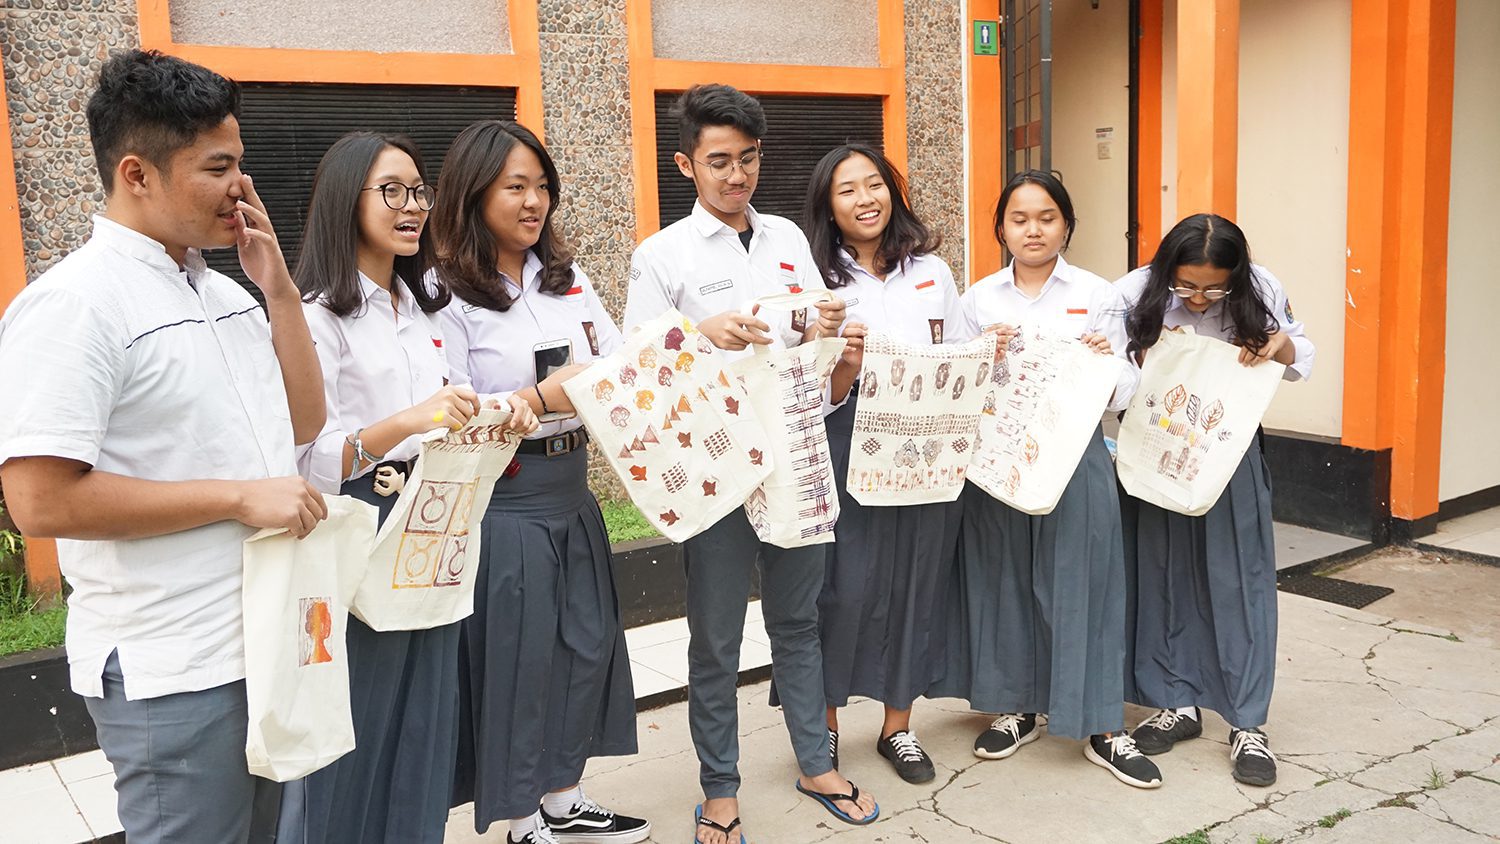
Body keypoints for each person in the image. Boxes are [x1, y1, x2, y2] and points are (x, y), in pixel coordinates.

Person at [0, 49, 328, 843]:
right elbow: (39, 500)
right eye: (217, 167)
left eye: (239, 163)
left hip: (265, 642)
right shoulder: (76, 304)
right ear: (137, 174)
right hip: (172, 667)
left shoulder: (226, 295)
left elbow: (303, 422)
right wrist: (237, 497)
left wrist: (280, 290)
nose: (241, 187)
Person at [623, 84, 879, 843]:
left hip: (795, 453)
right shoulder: (662, 255)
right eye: (720, 161)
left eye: (749, 158)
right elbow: (636, 367)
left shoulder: (789, 240)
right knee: (716, 636)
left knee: (798, 620)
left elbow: (810, 344)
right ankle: (720, 789)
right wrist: (701, 333)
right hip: (716, 469)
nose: (737, 175)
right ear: (686, 164)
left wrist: (827, 327)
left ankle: (815, 763)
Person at [281, 130, 536, 843]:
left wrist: (500, 411)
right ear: (346, 199)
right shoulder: (315, 316)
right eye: (391, 191)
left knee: (424, 726)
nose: (413, 206)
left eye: (419, 191)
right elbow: (309, 462)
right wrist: (408, 421)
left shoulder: (422, 308)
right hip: (357, 534)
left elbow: (447, 413)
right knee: (352, 729)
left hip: (433, 528)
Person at [431, 120, 649, 844]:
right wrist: (539, 397)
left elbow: (618, 361)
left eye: (542, 187)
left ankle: (563, 797)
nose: (534, 202)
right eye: (514, 187)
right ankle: (523, 818)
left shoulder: (568, 278)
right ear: (473, 194)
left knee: (584, 647)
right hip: (505, 499)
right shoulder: (445, 292)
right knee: (521, 662)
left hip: (571, 488)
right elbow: (446, 412)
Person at [931, 169, 1163, 789]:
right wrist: (981, 352)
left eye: (1046, 218)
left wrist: (1104, 364)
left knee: (1085, 583)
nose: (1032, 230)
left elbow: (1128, 387)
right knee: (1003, 578)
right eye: (1019, 219)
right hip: (997, 459)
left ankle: (1103, 725)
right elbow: (954, 381)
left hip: (1077, 454)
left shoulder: (1099, 294)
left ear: (1066, 225)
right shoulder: (979, 299)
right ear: (1001, 229)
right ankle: (1017, 706)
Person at [1117, 213, 1314, 788]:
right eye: (1186, 286)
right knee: (1162, 573)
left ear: (1236, 276)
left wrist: (1279, 345)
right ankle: (1175, 702)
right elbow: (1107, 370)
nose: (1200, 299)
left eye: (1214, 288)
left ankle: (1248, 723)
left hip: (1230, 452)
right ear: (1166, 272)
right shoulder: (1132, 292)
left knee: (1239, 581)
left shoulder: (1261, 286)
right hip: (1155, 449)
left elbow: (1302, 353)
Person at [802, 143, 969, 784]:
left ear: (891, 192)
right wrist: (844, 367)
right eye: (847, 190)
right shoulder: (815, 280)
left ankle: (897, 727)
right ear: (828, 206)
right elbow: (804, 387)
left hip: (930, 445)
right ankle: (823, 725)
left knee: (916, 583)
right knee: (842, 586)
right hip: (847, 440)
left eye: (874, 184)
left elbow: (959, 354)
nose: (865, 199)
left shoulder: (932, 271)